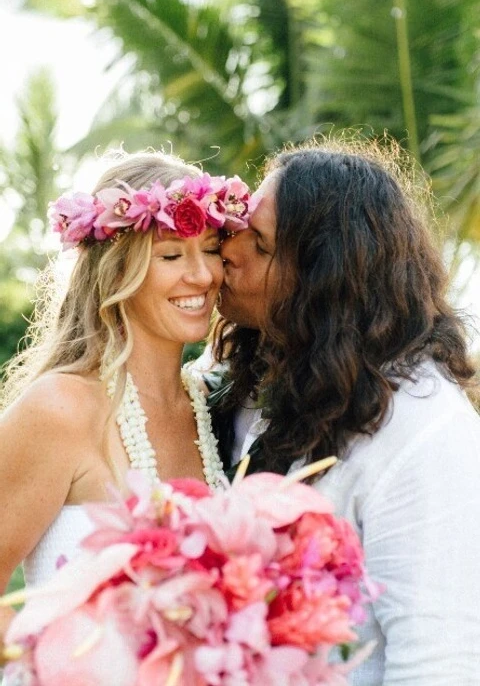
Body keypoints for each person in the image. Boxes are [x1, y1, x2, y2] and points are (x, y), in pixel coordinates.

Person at [207, 138, 480, 684]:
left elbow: (440, 662)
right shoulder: (257, 382)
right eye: (241, 227)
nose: (228, 249)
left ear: (323, 279)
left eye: (260, 245)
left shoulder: (424, 431)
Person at [0, 150, 253, 646]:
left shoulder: (218, 404)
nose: (202, 276)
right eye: (171, 255)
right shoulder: (62, 409)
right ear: (116, 271)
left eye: (210, 249)